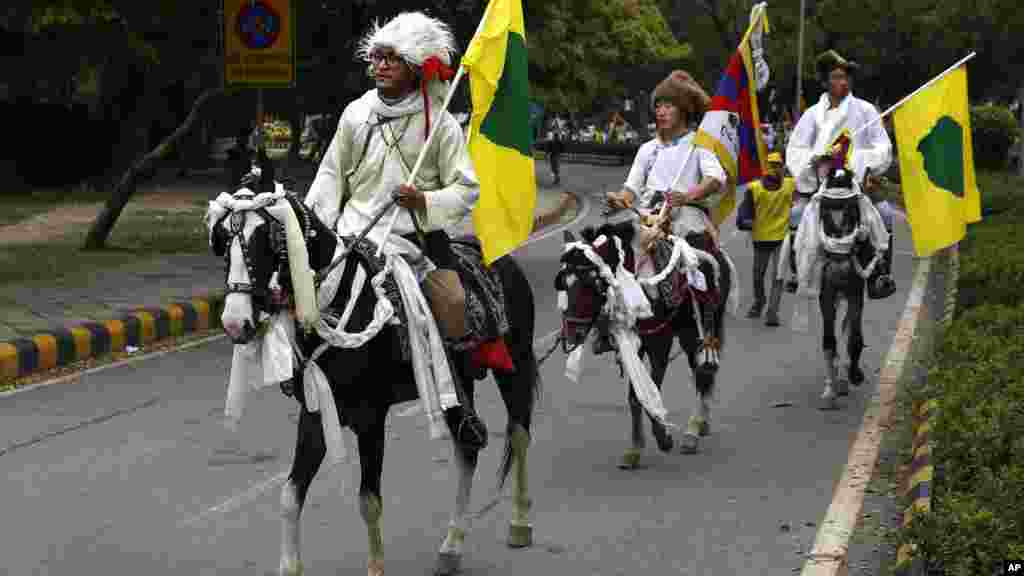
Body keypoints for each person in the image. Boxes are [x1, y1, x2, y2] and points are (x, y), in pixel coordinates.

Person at [302, 11, 485, 446]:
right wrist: (313, 230)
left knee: (453, 301)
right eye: (377, 58)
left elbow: (466, 188)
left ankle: (457, 402)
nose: (382, 66)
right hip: (352, 236)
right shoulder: (355, 113)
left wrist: (424, 201)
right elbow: (331, 177)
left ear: (416, 67)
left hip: (412, 239)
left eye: (393, 59)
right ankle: (301, 372)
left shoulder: (439, 121)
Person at [603, 70, 728, 348]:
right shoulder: (647, 149)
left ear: (683, 110)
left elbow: (715, 178)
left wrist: (688, 195)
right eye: (658, 105)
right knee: (608, 259)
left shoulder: (700, 145)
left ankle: (707, 334)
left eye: (668, 105)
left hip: (687, 218)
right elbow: (631, 189)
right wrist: (618, 199)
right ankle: (612, 326)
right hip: (648, 220)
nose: (661, 111)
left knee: (702, 263)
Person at [785, 49, 896, 293]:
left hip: (857, 182)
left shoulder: (866, 110)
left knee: (885, 213)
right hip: (821, 183)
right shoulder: (811, 114)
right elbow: (796, 148)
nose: (842, 82)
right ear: (825, 81)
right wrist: (815, 160)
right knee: (796, 214)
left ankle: (880, 275)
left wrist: (859, 160)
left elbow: (883, 146)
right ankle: (797, 271)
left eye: (846, 77)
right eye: (836, 77)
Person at [742, 152, 794, 326]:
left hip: (782, 238)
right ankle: (759, 302)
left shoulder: (790, 185)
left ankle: (772, 311)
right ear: (765, 167)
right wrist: (745, 220)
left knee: (778, 276)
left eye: (777, 165)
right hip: (761, 238)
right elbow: (744, 211)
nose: (774, 168)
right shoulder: (754, 188)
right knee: (758, 276)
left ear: (783, 167)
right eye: (771, 165)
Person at [546, 113, 566, 185]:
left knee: (554, 167)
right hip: (555, 155)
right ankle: (556, 177)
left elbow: (549, 148)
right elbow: (562, 148)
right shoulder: (556, 141)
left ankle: (556, 177)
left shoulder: (552, 141)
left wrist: (547, 154)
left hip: (554, 155)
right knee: (555, 167)